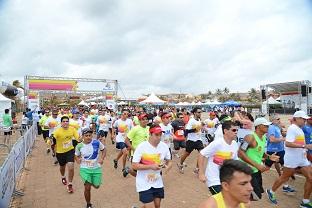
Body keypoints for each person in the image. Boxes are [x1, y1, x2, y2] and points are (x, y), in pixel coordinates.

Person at [266, 111, 312, 207]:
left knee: (310, 178)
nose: (305, 121)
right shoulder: (292, 128)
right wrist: (305, 146)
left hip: (301, 158)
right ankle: (271, 191)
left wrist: (305, 150)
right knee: (284, 177)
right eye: (303, 119)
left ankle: (305, 201)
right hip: (292, 159)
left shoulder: (299, 129)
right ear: (297, 119)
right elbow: (288, 143)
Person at [238, 117, 279, 201]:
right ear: (259, 126)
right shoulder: (250, 137)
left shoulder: (263, 138)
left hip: (256, 170)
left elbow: (260, 152)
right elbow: (240, 153)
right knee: (255, 195)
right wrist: (257, 165)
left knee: (257, 195)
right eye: (266, 126)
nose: (268, 127)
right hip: (247, 170)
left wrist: (268, 157)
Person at [132, 124, 172, 208]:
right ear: (150, 134)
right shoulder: (142, 147)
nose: (159, 137)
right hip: (143, 182)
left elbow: (169, 161)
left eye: (160, 135)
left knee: (157, 206)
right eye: (156, 135)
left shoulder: (164, 146)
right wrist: (151, 166)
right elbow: (134, 165)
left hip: (157, 181)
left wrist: (167, 168)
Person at [198, 121, 239, 195]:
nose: (236, 132)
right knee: (225, 200)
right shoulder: (217, 143)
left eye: (237, 130)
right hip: (214, 180)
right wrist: (201, 173)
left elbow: (235, 161)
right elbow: (202, 154)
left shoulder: (235, 144)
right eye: (234, 130)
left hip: (226, 179)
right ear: (225, 131)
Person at [75, 128, 106, 208]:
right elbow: (76, 154)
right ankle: (88, 204)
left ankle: (90, 182)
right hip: (84, 169)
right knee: (87, 188)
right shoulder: (79, 146)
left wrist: (102, 158)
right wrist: (77, 160)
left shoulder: (96, 142)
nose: (88, 137)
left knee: (97, 186)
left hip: (96, 168)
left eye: (90, 135)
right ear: (83, 136)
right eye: (86, 136)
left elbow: (104, 149)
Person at [264, 114, 295, 193]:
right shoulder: (271, 127)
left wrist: (288, 134)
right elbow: (271, 140)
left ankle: (285, 186)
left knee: (286, 168)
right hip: (273, 151)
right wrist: (283, 139)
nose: (279, 120)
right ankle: (251, 176)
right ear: (273, 120)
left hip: (280, 150)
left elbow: (281, 135)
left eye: (279, 118)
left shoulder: (277, 127)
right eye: (278, 119)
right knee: (265, 168)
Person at [53, 116, 80, 193]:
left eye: (67, 121)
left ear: (69, 122)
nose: (65, 123)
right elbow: (53, 137)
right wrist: (50, 140)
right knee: (62, 167)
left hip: (70, 150)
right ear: (61, 123)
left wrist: (80, 139)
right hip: (60, 152)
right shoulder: (58, 131)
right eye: (64, 121)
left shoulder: (72, 129)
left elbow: (77, 138)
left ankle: (70, 184)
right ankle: (63, 176)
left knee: (71, 167)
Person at [177, 107, 204, 174]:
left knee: (202, 153)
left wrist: (202, 128)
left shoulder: (199, 120)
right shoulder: (191, 120)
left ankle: (197, 169)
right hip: (191, 140)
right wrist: (194, 130)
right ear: (194, 113)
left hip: (198, 140)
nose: (200, 113)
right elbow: (186, 131)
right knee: (186, 154)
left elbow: (199, 129)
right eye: (198, 112)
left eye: (200, 112)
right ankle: (180, 164)